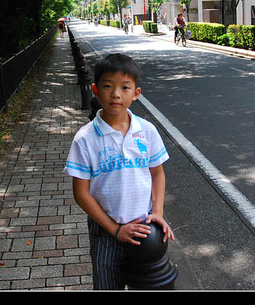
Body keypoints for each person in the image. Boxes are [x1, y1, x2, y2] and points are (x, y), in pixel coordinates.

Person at [64, 53, 174, 289]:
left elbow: (157, 173)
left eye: (125, 87)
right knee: (107, 285)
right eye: (108, 86)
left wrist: (158, 212)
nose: (116, 94)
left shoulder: (147, 131)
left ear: (136, 93)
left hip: (145, 230)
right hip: (106, 232)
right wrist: (115, 229)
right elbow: (81, 193)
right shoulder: (85, 139)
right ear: (95, 90)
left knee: (149, 284)